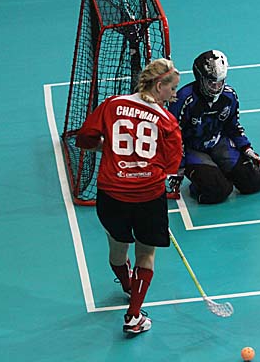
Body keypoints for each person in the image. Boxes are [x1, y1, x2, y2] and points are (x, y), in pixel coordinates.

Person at [75, 58, 182, 335]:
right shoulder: (167, 121)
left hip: (111, 195)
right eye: (172, 88)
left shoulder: (111, 104)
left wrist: (107, 148)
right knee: (145, 255)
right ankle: (134, 316)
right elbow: (171, 165)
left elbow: (84, 138)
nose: (174, 94)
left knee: (117, 249)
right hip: (148, 197)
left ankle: (127, 285)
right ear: (159, 85)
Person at [167, 50, 260, 204]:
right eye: (211, 82)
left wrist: (247, 148)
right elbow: (174, 137)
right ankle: (201, 183)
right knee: (218, 191)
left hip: (218, 143)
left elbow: (233, 127)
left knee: (251, 183)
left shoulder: (229, 96)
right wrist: (178, 168)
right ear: (200, 79)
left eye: (220, 82)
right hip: (192, 149)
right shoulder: (183, 100)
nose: (216, 87)